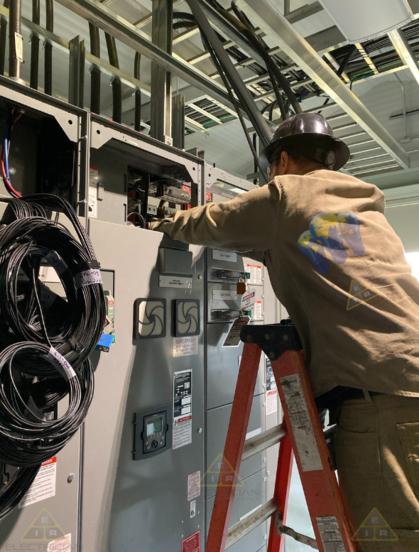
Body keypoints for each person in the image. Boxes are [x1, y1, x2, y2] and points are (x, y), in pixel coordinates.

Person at [149, 113, 419, 551]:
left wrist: (155, 223)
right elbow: (287, 247)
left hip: (380, 400)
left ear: (284, 160)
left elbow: (208, 223)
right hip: (405, 380)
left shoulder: (285, 194)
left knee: (391, 538)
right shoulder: (359, 207)